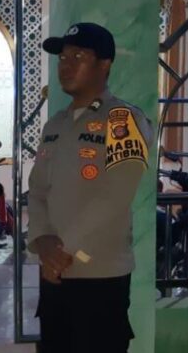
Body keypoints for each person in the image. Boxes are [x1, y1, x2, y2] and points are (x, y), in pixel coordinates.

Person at [28, 23, 153, 353]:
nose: (66, 65)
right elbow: (37, 189)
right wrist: (42, 240)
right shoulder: (55, 125)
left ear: (104, 64)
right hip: (54, 276)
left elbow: (116, 196)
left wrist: (60, 252)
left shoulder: (124, 120)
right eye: (63, 58)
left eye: (78, 57)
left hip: (100, 276)